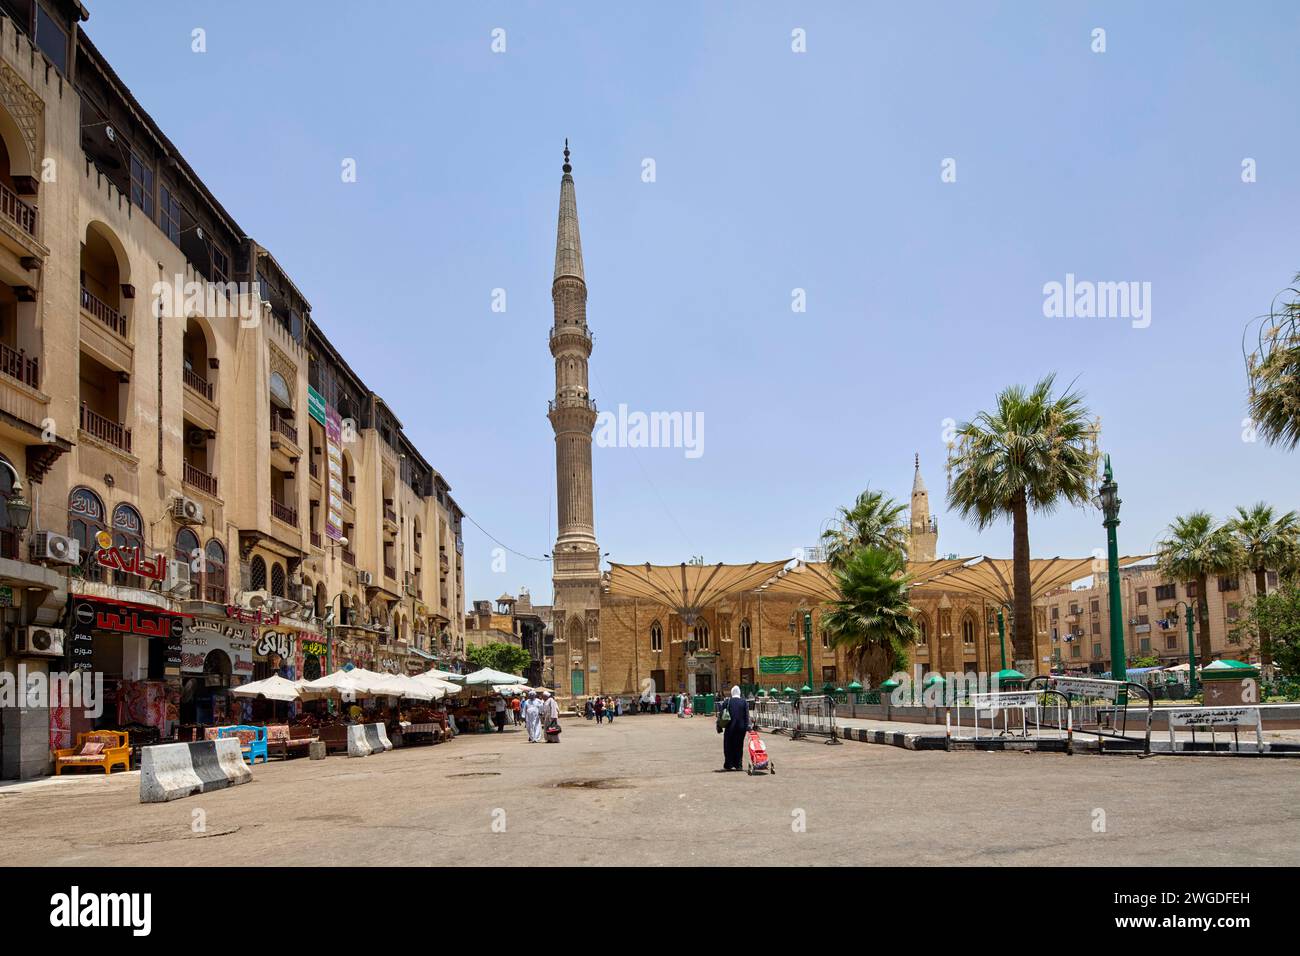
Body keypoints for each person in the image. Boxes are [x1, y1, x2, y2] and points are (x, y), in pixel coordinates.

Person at [720, 685, 750, 771]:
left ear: (732, 692)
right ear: (739, 692)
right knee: (739, 746)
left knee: (728, 745)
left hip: (730, 727)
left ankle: (729, 764)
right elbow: (746, 716)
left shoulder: (727, 701)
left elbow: (721, 714)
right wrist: (748, 727)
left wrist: (719, 726)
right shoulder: (744, 702)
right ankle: (738, 765)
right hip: (741, 728)